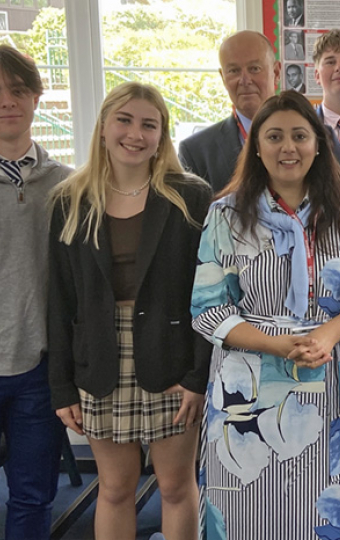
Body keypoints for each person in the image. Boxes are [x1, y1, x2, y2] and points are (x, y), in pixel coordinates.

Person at [191, 91, 340, 540]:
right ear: (256, 147)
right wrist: (275, 344)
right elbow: (208, 310)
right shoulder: (225, 215)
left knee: (324, 512)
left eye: (300, 136)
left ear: (318, 144)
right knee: (250, 513)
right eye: (275, 136)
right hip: (247, 393)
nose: (289, 147)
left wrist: (328, 335)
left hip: (333, 379)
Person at [49, 82, 212, 540]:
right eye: (124, 120)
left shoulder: (190, 197)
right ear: (103, 127)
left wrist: (198, 376)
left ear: (162, 136)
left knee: (176, 485)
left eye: (149, 124)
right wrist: (61, 386)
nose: (135, 134)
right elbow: (60, 299)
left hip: (172, 358)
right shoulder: (70, 200)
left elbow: (207, 293)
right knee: (116, 488)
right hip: (100, 357)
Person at [0, 44, 71, 540]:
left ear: (37, 98)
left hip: (37, 369)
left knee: (31, 495)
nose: (7, 102)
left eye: (18, 90)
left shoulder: (66, 185)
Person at [179, 31, 281, 192]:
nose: (245, 80)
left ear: (276, 72)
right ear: (223, 78)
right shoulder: (196, 151)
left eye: (254, 69)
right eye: (234, 71)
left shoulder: (313, 138)